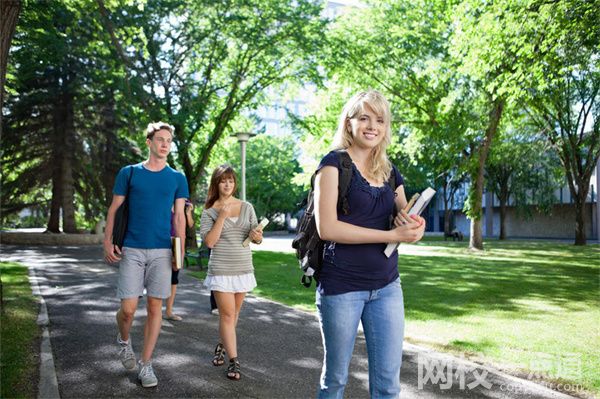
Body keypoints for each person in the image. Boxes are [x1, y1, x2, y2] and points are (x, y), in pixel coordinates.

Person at [313, 90, 426, 398]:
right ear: (349, 123)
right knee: (335, 380)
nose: (372, 126)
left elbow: (404, 218)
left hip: (387, 286)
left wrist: (415, 228)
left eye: (380, 120)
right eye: (364, 118)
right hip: (342, 287)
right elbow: (328, 228)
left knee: (388, 385)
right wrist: (391, 236)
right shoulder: (332, 165)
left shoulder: (389, 170)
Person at [103, 122, 189, 388]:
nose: (165, 144)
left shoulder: (177, 177)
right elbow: (114, 209)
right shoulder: (129, 173)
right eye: (160, 139)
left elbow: (180, 217)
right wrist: (107, 242)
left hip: (163, 251)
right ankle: (124, 341)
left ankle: (146, 364)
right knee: (127, 310)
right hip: (132, 248)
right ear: (149, 142)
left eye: (168, 140)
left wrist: (180, 251)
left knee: (155, 308)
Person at [200, 165, 263, 381]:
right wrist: (222, 216)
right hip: (221, 269)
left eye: (231, 180)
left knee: (233, 315)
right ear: (216, 184)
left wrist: (257, 236)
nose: (227, 184)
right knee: (226, 315)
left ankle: (222, 346)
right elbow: (209, 242)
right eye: (223, 180)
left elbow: (256, 237)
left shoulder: (247, 207)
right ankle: (234, 361)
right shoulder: (209, 211)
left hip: (243, 268)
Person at [164, 199, 198, 321]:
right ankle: (154, 311)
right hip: (161, 242)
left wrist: (188, 212)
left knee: (174, 278)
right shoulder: (164, 199)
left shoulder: (183, 203)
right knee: (158, 277)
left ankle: (168, 311)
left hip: (177, 243)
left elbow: (190, 225)